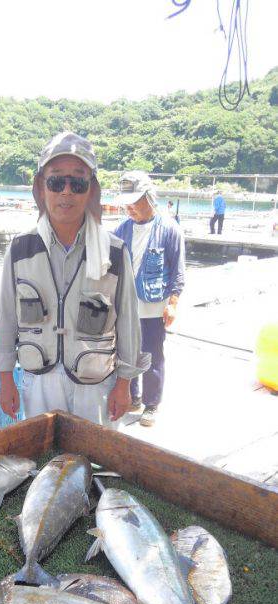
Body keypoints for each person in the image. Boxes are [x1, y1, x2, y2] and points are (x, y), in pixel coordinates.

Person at [0, 131, 149, 428]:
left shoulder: (115, 252)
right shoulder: (20, 249)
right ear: (41, 188)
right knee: (43, 453)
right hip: (39, 382)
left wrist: (124, 383)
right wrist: (5, 379)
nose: (66, 192)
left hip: (97, 384)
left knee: (97, 455)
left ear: (90, 191)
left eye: (77, 183)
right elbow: (6, 317)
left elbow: (128, 323)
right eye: (55, 181)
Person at [114, 171, 185, 427]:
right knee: (126, 353)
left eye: (134, 201)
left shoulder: (170, 229)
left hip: (154, 307)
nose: (129, 207)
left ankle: (151, 404)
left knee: (153, 355)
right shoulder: (122, 229)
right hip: (126, 306)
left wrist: (173, 303)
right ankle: (132, 396)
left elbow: (178, 270)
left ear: (149, 197)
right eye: (126, 202)